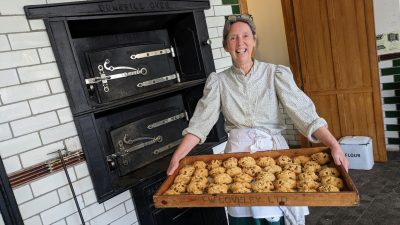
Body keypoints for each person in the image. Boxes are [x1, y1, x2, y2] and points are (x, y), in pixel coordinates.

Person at [167, 14, 349, 225]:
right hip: (236, 157)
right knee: (244, 214)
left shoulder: (275, 74)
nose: (240, 42)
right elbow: (200, 123)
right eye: (233, 38)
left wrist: (333, 144)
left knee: (276, 213)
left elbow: (305, 114)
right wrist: (178, 156)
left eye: (245, 36)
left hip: (274, 154)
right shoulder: (218, 81)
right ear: (226, 45)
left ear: (254, 41)